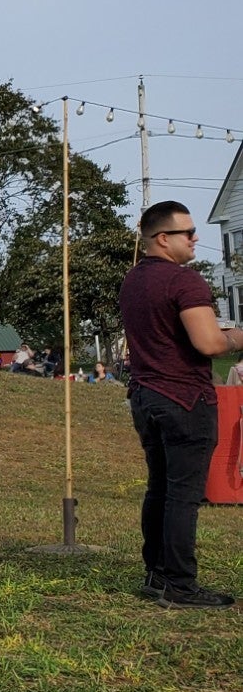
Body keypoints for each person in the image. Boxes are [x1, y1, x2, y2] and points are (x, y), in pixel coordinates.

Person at [119, 201, 243, 608]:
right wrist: (237, 337)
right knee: (183, 495)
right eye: (187, 232)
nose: (195, 238)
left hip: (146, 395)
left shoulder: (134, 280)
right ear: (163, 239)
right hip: (185, 399)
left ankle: (156, 573)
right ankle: (178, 583)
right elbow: (208, 343)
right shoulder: (185, 282)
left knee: (160, 488)